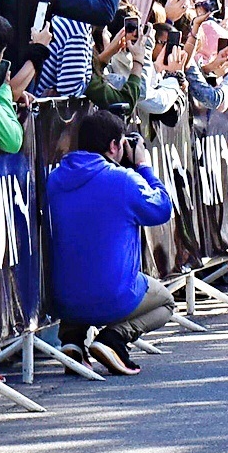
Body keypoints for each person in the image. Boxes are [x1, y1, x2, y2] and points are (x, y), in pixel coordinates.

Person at [46, 107, 177, 378]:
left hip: (61, 299)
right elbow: (162, 209)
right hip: (112, 297)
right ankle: (113, 340)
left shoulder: (55, 179)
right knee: (166, 302)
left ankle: (72, 339)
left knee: (80, 264)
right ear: (115, 145)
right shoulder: (123, 180)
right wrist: (143, 166)